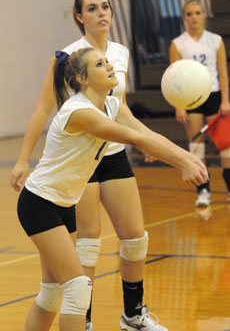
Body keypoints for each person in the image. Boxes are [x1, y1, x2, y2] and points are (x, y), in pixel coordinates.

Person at [17, 47, 208, 331]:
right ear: (82, 79)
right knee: (77, 287)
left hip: (65, 204)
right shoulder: (79, 111)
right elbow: (133, 138)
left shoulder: (112, 105)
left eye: (107, 61)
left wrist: (189, 158)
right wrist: (181, 162)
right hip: (39, 204)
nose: (109, 66)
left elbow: (145, 132)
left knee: (53, 292)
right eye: (99, 64)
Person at [169, 0, 230, 207]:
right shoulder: (178, 43)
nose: (193, 17)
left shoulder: (215, 40)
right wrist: (179, 106)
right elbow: (173, 77)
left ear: (204, 14)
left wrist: (225, 100)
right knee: (197, 146)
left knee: (226, 145)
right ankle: (203, 191)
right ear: (184, 18)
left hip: (213, 95)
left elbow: (222, 72)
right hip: (190, 98)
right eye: (189, 14)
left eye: (197, 13)